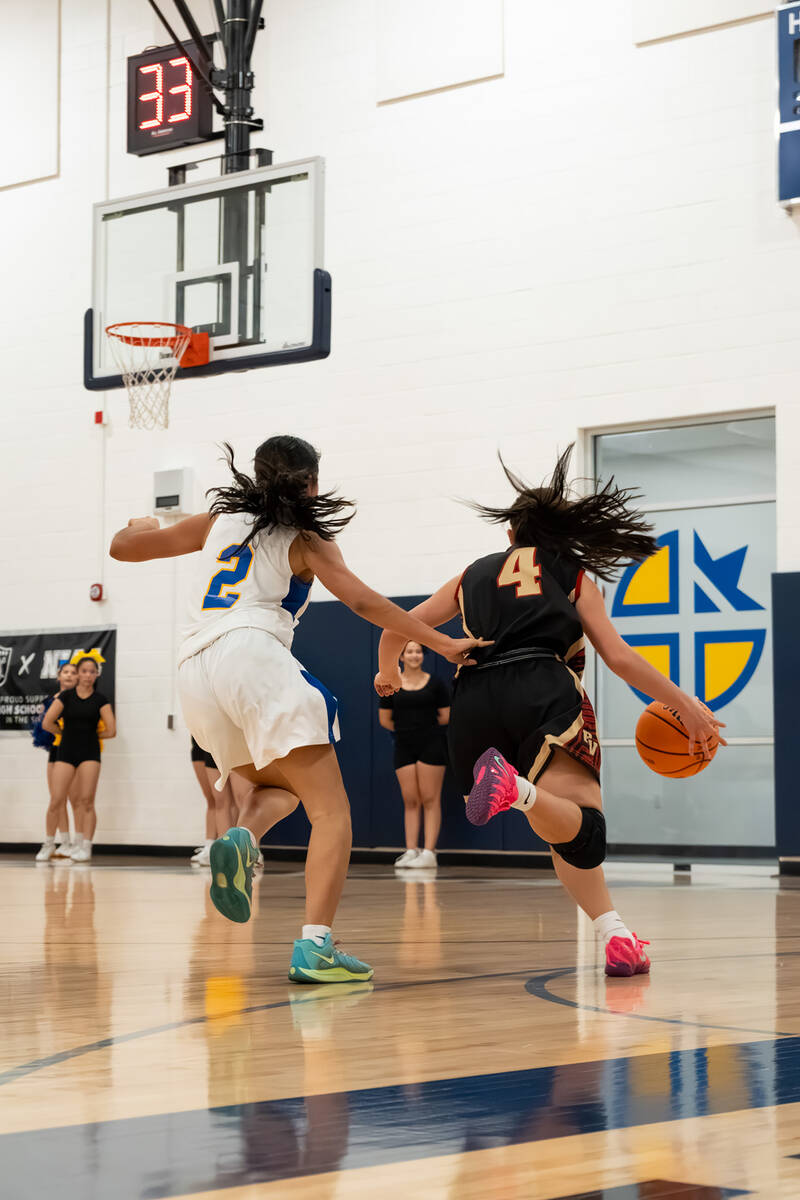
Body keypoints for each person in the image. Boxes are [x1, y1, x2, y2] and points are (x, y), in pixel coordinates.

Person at [109, 434, 486, 984]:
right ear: (310, 483)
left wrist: (139, 524)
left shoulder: (217, 521)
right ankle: (316, 947)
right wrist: (442, 642)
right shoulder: (307, 538)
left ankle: (242, 837)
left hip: (193, 671)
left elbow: (122, 548)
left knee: (279, 788)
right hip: (252, 653)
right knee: (332, 812)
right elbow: (364, 602)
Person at [376, 446, 725, 977]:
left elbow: (395, 628)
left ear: (510, 534)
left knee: (559, 829)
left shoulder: (470, 574)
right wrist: (687, 706)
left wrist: (389, 675)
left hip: (474, 699)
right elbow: (618, 657)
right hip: (541, 686)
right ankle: (516, 790)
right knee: (585, 832)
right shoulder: (571, 572)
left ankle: (616, 935)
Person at [378, 641, 450, 868]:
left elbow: (445, 716)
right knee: (410, 799)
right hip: (404, 745)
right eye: (409, 651)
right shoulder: (391, 684)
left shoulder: (436, 684)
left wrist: (423, 729)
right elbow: (385, 719)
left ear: (423, 655)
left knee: (430, 798)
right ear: (401, 656)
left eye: (418, 651)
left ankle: (429, 852)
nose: (414, 655)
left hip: (432, 744)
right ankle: (411, 850)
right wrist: (407, 730)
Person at [42, 657, 117, 862]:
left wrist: (91, 736)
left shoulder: (100, 700)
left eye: (92, 672)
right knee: (56, 799)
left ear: (97, 675)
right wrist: (65, 733)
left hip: (90, 753)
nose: (88, 675)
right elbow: (47, 722)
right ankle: (48, 844)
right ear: (78, 673)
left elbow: (111, 730)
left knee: (87, 800)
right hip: (66, 752)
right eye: (84, 671)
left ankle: (85, 846)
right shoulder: (65, 696)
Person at [34, 661, 78, 861]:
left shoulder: (79, 699)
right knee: (56, 798)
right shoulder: (50, 700)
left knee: (76, 798)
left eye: (73, 672)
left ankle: (76, 842)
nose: (69, 675)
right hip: (56, 749)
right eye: (65, 672)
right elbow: (43, 730)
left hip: (74, 751)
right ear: (59, 676)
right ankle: (63, 842)